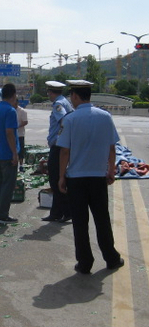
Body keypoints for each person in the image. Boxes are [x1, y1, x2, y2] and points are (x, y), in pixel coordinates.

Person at [57, 79, 124, 274]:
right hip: (97, 178)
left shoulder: (70, 119)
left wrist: (61, 177)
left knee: (80, 222)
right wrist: (111, 170)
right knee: (102, 219)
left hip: (77, 179)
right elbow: (112, 148)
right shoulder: (105, 116)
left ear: (76, 96)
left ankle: (85, 263)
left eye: (72, 95)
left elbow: (64, 152)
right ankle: (111, 258)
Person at [42, 81, 75, 223]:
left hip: (58, 146)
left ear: (51, 92)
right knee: (58, 179)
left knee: (55, 180)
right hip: (62, 145)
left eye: (48, 92)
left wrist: (61, 138)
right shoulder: (65, 101)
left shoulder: (58, 104)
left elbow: (63, 121)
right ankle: (60, 212)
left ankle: (62, 212)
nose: (48, 94)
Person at [0, 83, 19, 224]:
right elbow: (9, 133)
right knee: (8, 185)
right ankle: (2, 214)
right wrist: (14, 153)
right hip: (7, 154)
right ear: (13, 95)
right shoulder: (11, 111)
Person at [16, 104, 28, 172]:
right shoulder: (10, 110)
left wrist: (18, 125)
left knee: (20, 151)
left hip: (20, 134)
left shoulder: (22, 111)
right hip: (12, 134)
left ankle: (21, 165)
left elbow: (25, 121)